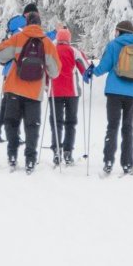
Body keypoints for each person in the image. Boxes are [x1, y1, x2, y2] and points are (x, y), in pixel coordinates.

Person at [85, 19, 133, 175]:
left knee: (112, 126)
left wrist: (92, 71)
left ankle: (108, 162)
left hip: (114, 92)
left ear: (119, 31)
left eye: (116, 31)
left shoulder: (114, 45)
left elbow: (103, 67)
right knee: (128, 128)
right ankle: (127, 164)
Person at [0, 10, 60, 173]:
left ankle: (12, 155)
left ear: (27, 23)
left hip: (14, 89)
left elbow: (0, 56)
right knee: (32, 126)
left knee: (11, 123)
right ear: (40, 24)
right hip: (34, 92)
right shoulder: (47, 43)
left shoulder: (18, 38)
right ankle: (30, 159)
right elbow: (55, 71)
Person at [49, 26, 89, 165]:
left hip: (55, 92)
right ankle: (68, 152)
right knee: (70, 122)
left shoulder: (52, 50)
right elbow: (85, 68)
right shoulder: (74, 51)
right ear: (69, 39)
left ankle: (56, 151)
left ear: (58, 38)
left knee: (56, 122)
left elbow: (45, 68)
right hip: (72, 92)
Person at [0, 14, 26, 143]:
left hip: (8, 73)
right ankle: (8, 135)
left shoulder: (12, 36)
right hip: (14, 74)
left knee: (7, 105)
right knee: (13, 105)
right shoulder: (19, 37)